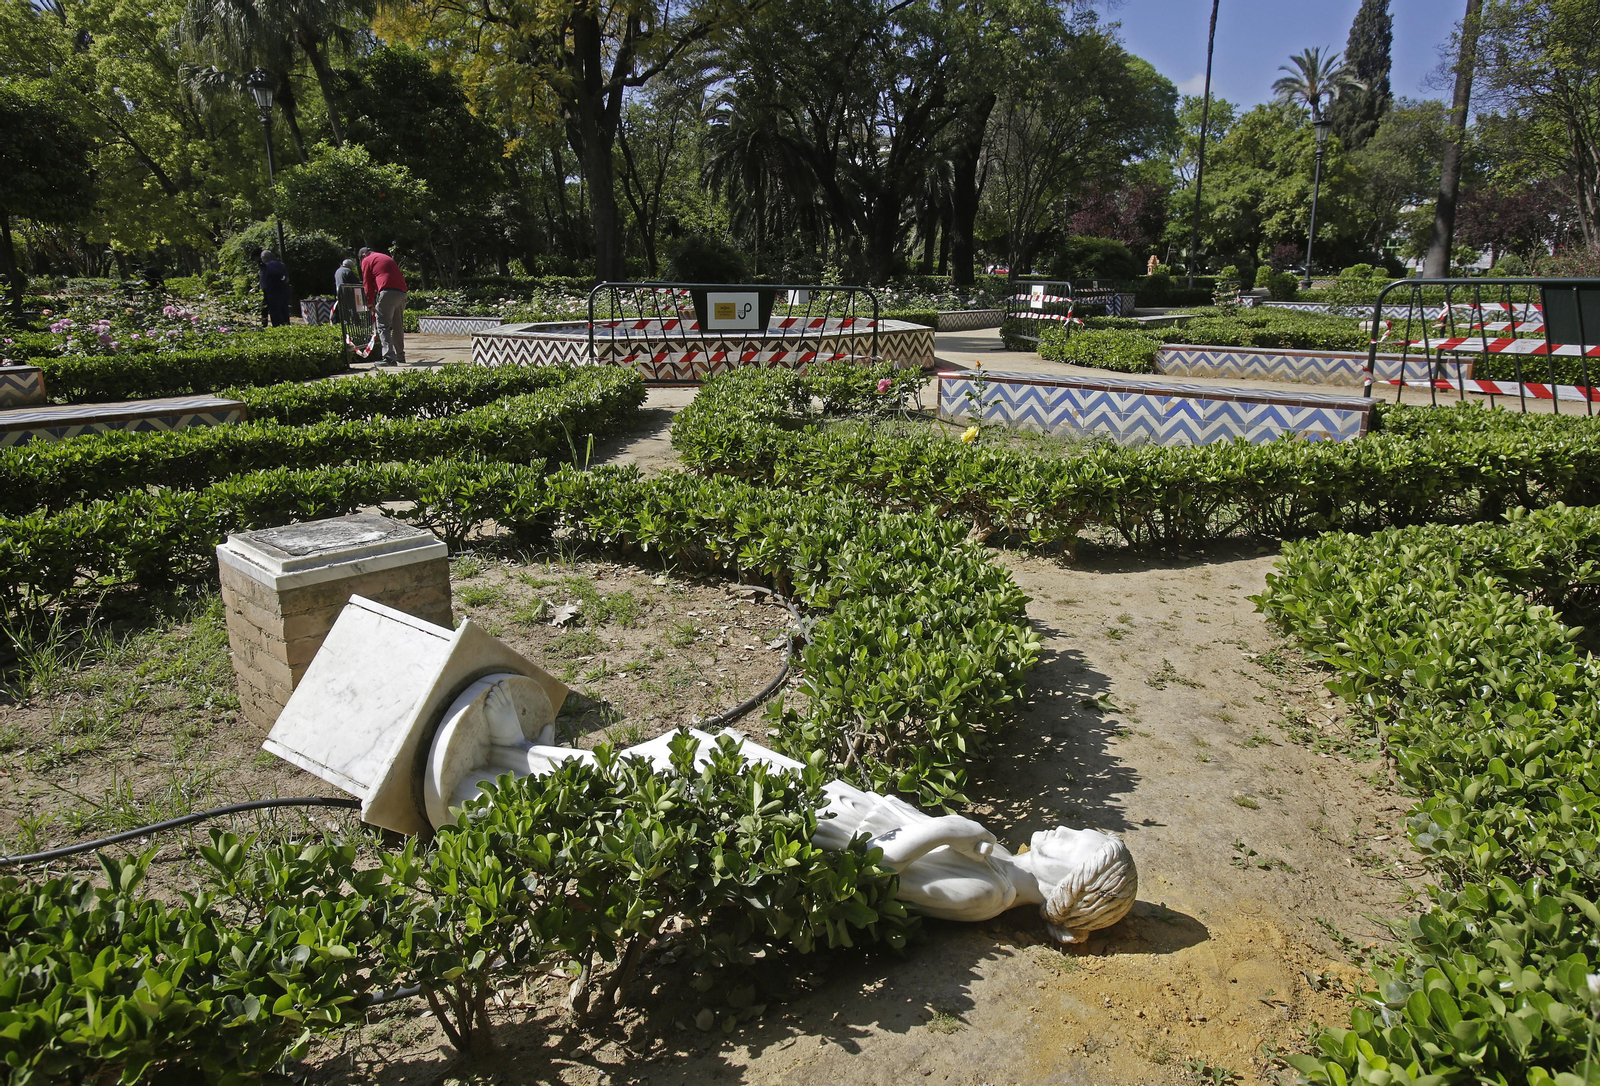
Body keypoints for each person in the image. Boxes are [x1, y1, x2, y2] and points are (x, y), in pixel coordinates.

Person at [359, 246, 407, 366]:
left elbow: (367, 283)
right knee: (398, 325)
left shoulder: (367, 260)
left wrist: (369, 302)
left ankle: (389, 358)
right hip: (401, 292)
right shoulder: (384, 257)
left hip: (387, 292)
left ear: (363, 256)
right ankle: (400, 355)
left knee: (383, 325)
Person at [258, 250, 291, 327]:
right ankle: (286, 325)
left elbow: (276, 273)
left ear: (264, 258)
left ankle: (275, 327)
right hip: (283, 291)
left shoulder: (268, 265)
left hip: (271, 291)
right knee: (283, 309)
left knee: (273, 311)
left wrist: (282, 278)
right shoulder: (281, 264)